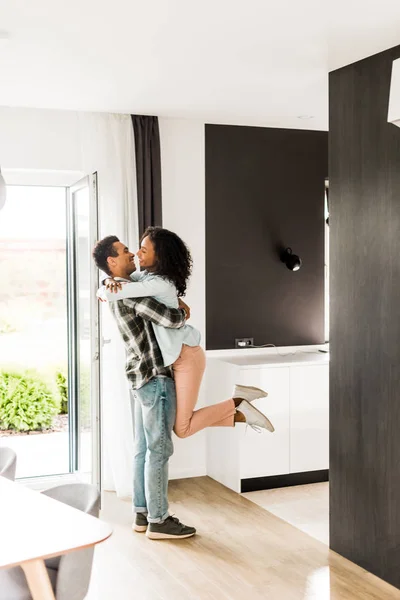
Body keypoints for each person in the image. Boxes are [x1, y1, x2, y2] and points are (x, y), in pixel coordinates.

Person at [98, 227, 275, 439]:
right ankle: (240, 409)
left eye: (144, 250)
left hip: (187, 356)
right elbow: (117, 285)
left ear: (160, 255)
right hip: (178, 356)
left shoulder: (160, 283)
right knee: (181, 425)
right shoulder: (145, 276)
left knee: (182, 429)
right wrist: (106, 281)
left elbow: (116, 292)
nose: (137, 253)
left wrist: (105, 287)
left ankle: (238, 404)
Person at [93, 236, 196, 540]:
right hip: (155, 376)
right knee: (159, 450)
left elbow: (113, 289)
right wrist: (181, 308)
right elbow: (173, 318)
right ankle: (159, 520)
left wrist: (105, 285)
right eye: (125, 252)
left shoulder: (121, 287)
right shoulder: (130, 295)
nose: (132, 255)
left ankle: (142, 513)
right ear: (112, 262)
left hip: (139, 376)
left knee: (142, 449)